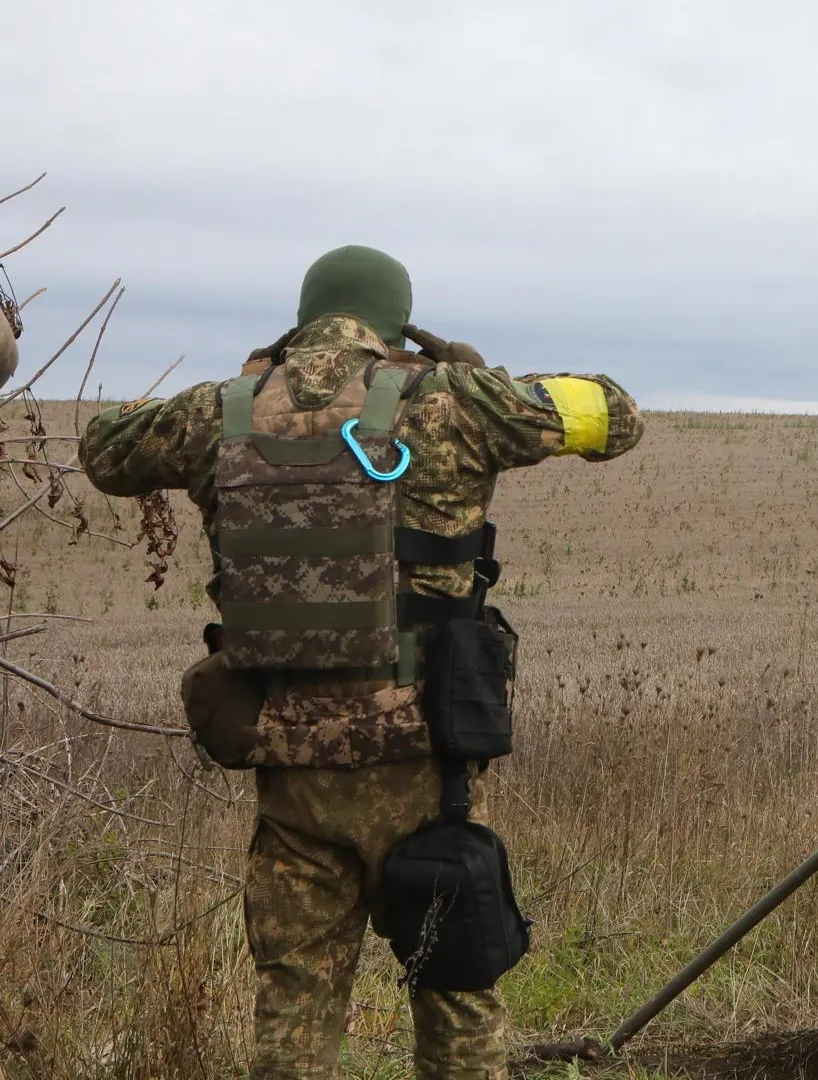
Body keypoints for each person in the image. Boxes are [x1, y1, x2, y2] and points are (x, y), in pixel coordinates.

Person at [81, 245, 644, 1079]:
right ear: (394, 325)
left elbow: (105, 449)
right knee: (454, 988)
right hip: (426, 760)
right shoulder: (452, 399)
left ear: (306, 318)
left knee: (294, 1003)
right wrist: (469, 368)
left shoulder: (219, 410)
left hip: (290, 765)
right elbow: (617, 415)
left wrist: (253, 377)